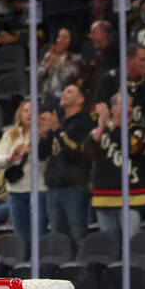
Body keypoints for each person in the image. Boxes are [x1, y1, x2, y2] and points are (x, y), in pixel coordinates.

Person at [86, 93, 145, 238]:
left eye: (131, 105)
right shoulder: (102, 131)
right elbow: (88, 153)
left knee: (132, 241)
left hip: (131, 196)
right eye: (125, 105)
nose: (130, 109)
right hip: (104, 197)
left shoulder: (137, 131)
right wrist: (101, 128)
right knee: (108, 245)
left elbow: (130, 146)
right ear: (113, 109)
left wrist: (109, 123)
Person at [0, 99, 48, 249]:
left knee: (39, 238)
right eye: (26, 111)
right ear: (20, 114)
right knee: (22, 240)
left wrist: (33, 151)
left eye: (33, 111)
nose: (29, 114)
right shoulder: (11, 135)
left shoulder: (44, 133)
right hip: (16, 193)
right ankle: (25, 269)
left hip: (39, 191)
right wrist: (10, 158)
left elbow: (48, 162)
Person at [39, 86, 94, 243]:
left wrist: (57, 129)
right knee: (58, 240)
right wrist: (43, 135)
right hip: (53, 187)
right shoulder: (60, 121)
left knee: (78, 235)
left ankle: (80, 267)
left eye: (69, 92)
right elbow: (42, 155)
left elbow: (74, 152)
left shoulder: (85, 121)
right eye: (63, 91)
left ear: (80, 100)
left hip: (74, 186)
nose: (63, 93)